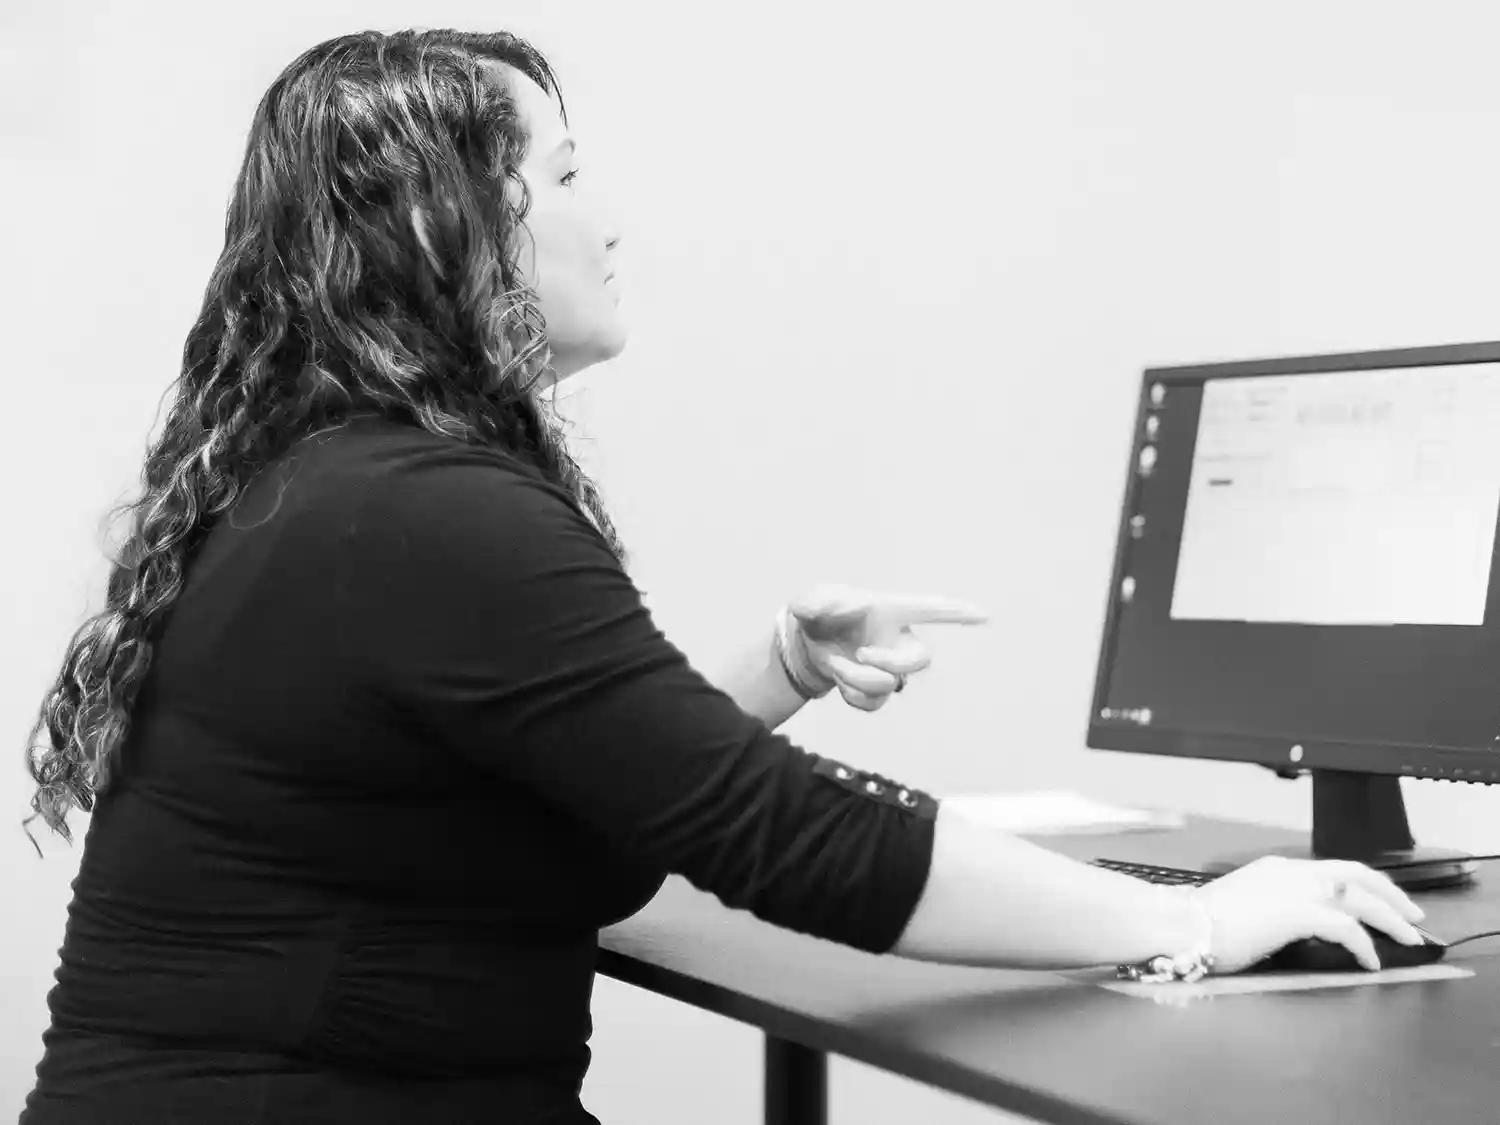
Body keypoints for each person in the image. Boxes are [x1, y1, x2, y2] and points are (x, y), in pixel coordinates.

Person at [19, 27, 1426, 1125]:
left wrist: (783, 668)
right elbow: (784, 838)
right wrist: (1191, 917)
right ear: (448, 226)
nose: (611, 220)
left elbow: (588, 825)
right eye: (566, 176)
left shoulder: (332, 489)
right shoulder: (417, 514)